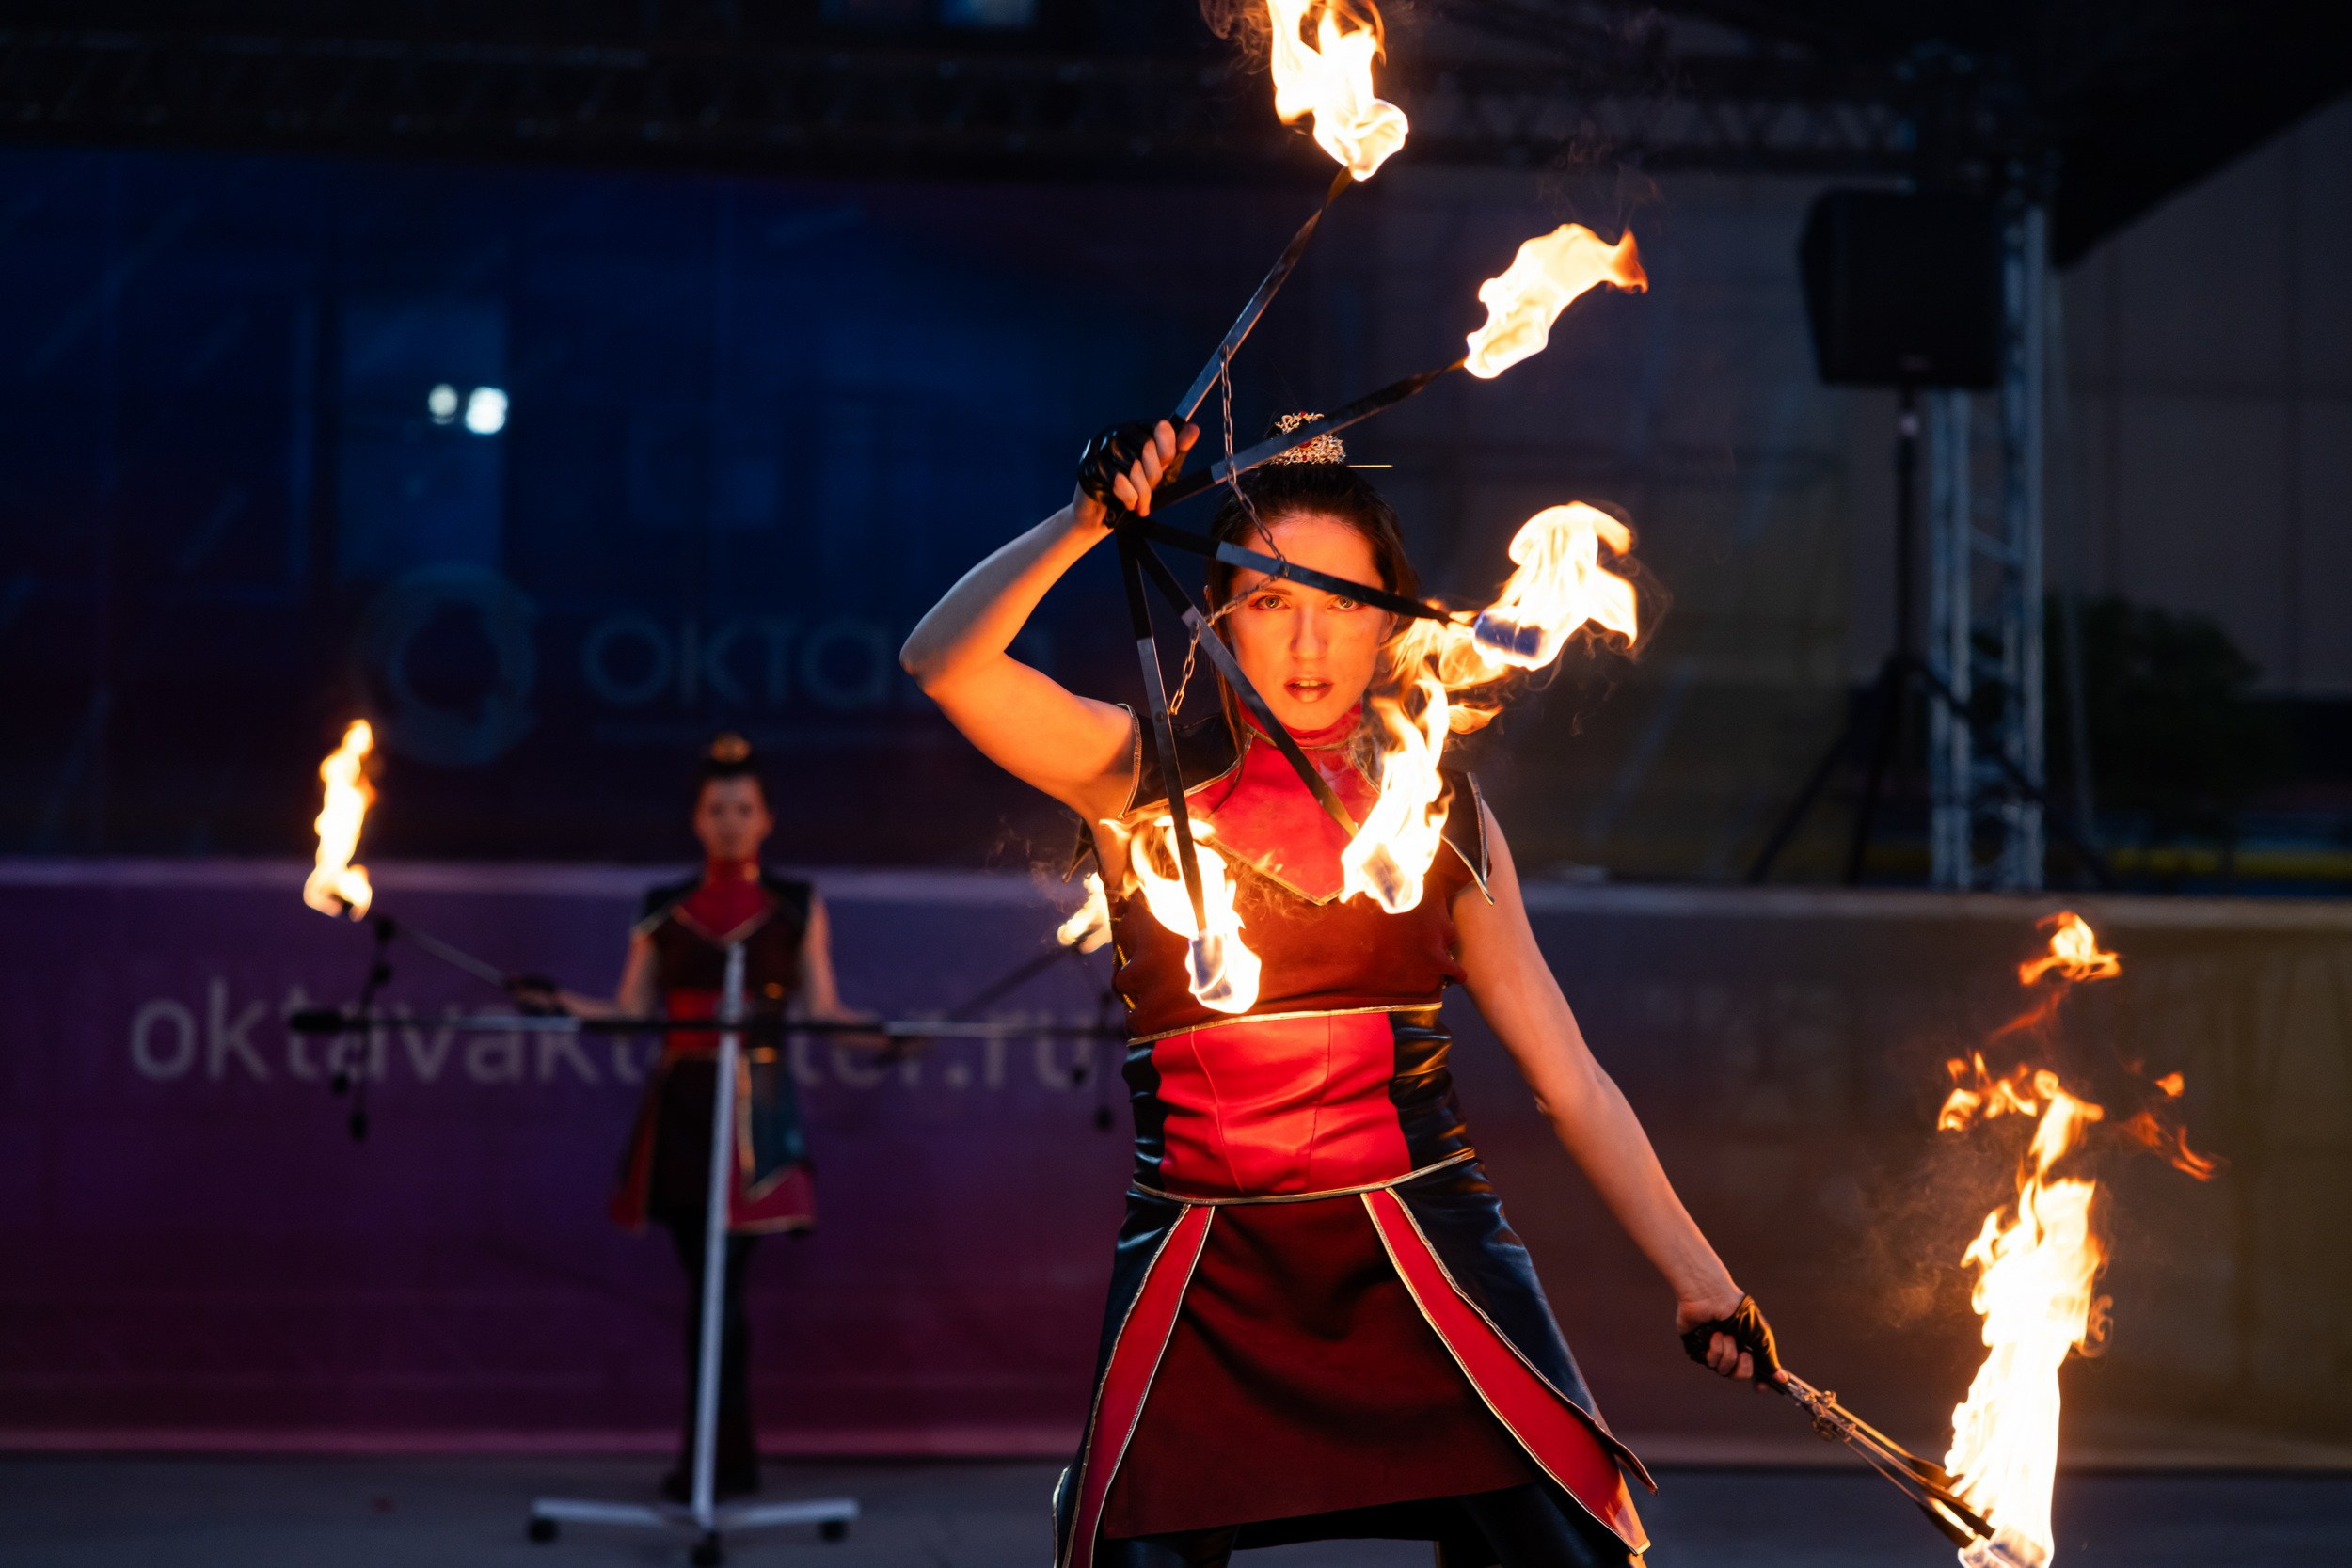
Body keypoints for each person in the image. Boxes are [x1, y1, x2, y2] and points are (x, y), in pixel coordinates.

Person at [899, 419, 1781, 1568]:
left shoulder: (1441, 813)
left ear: (1388, 622)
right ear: (1216, 618)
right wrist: (1083, 526)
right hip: (1202, 1264)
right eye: (1268, 601)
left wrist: (1703, 1283)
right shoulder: (1137, 778)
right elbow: (942, 662)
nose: (1306, 641)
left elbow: (1570, 1080)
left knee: (1571, 1551)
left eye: (1339, 601)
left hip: (1425, 1252)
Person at [512, 734, 874, 1502]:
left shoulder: (797, 903)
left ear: (767, 818)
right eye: (718, 809)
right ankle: (717, 1465)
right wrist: (557, 1003)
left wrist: (886, 1038)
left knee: (723, 1296)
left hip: (758, 1118)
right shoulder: (663, 908)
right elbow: (626, 1012)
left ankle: (718, 1466)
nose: (733, 821)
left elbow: (827, 1011)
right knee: (709, 1295)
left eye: (745, 808)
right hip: (680, 1113)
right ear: (697, 820)